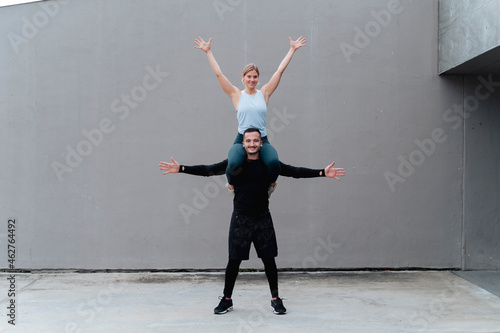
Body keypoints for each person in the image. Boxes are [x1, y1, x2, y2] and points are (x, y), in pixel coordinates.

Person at [159, 128, 345, 315]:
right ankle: (227, 299)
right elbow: (208, 170)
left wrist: (322, 172)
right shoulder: (235, 164)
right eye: (248, 141)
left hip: (262, 218)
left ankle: (275, 299)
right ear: (243, 144)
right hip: (241, 219)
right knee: (233, 261)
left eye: (255, 141)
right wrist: (181, 168)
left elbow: (295, 171)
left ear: (261, 143)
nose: (252, 144)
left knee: (269, 260)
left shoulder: (268, 164)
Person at [194, 36, 307, 196]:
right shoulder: (236, 94)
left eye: (255, 77)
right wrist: (208, 52)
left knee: (274, 163)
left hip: (262, 138)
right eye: (249, 76)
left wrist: (292, 50)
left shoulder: (264, 93)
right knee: (232, 163)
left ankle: (270, 186)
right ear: (243, 78)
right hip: (242, 138)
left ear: (258, 79)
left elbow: (279, 71)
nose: (252, 80)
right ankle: (231, 186)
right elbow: (219, 74)